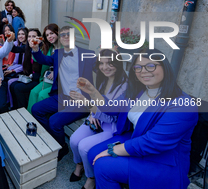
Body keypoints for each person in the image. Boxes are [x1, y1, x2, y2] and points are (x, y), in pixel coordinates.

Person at [76, 49, 198, 189]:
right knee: (92, 153)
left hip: (163, 160)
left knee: (103, 165)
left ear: (164, 67)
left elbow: (153, 142)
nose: (143, 71)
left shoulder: (183, 105)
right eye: (138, 67)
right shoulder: (139, 91)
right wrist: (92, 91)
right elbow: (112, 108)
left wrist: (112, 150)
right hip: (136, 139)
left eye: (151, 66)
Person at [30, 26, 97, 161]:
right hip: (62, 97)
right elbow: (44, 60)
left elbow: (105, 70)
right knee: (36, 109)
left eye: (69, 34)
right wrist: (35, 49)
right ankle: (54, 140)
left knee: (54, 121)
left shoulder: (87, 54)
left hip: (81, 101)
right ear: (60, 39)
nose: (66, 37)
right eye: (63, 35)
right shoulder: (58, 53)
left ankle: (61, 147)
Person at [69, 49, 128, 189]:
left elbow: (112, 115)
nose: (104, 67)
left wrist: (88, 104)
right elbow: (97, 104)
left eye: (109, 63)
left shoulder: (125, 86)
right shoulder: (103, 79)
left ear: (118, 64)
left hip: (111, 126)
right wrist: (92, 113)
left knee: (84, 147)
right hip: (96, 118)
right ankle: (80, 165)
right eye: (101, 63)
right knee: (74, 140)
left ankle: (91, 178)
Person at [27, 24, 59, 113]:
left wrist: (56, 71)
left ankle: (38, 119)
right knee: (33, 92)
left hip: (60, 84)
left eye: (51, 33)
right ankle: (30, 118)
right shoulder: (49, 47)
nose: (49, 36)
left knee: (41, 95)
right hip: (48, 79)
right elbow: (43, 60)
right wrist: (35, 48)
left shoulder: (65, 47)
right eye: (47, 35)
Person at [9, 29, 42, 109]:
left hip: (37, 79)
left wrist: (31, 76)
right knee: (13, 85)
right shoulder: (27, 47)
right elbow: (15, 49)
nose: (31, 38)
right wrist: (9, 40)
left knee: (18, 88)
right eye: (29, 36)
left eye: (33, 36)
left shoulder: (41, 49)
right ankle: (16, 108)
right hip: (29, 76)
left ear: (39, 38)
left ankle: (23, 109)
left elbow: (41, 71)